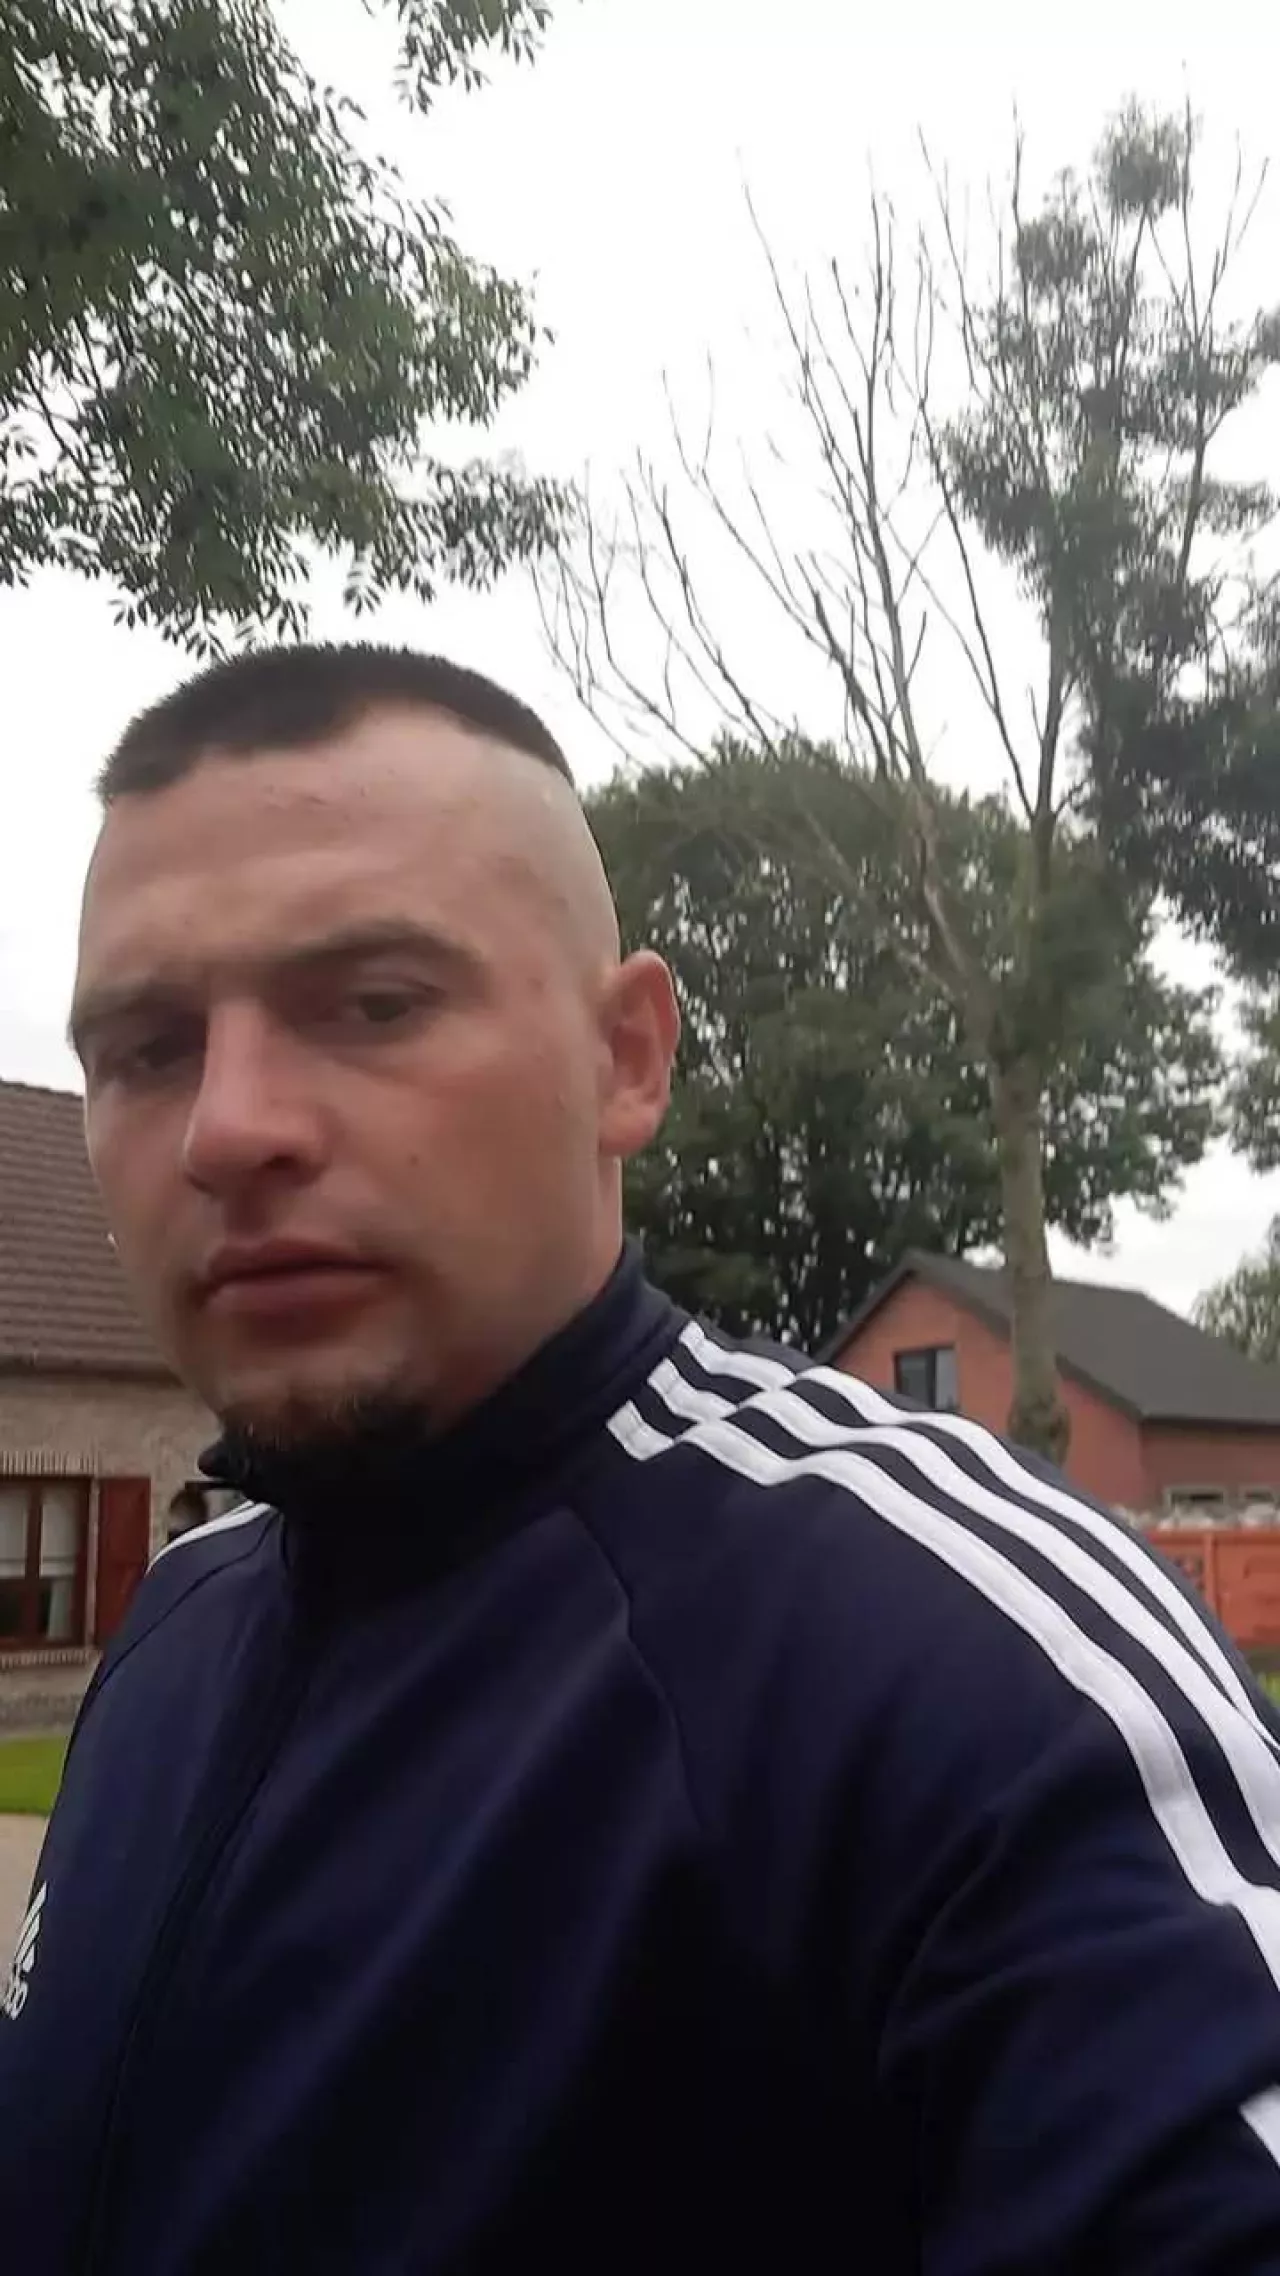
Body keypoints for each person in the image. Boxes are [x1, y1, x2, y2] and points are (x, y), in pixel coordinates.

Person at [3, 643, 1280, 2276]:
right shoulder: (174, 1621)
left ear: (628, 1060)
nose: (227, 1129)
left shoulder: (958, 1665)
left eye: (375, 1005)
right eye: (146, 1048)